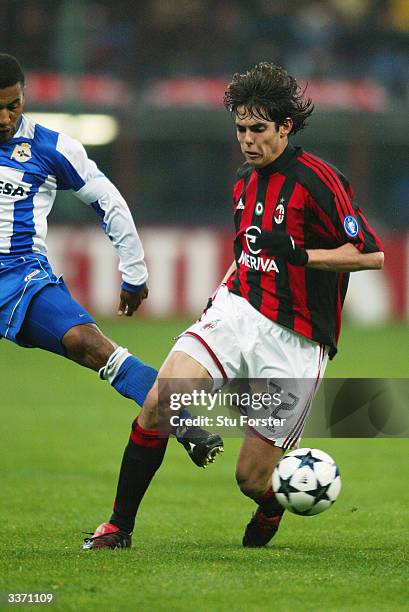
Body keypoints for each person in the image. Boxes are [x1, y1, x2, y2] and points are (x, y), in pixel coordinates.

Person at [84, 62, 383, 550]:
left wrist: (301, 255)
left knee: (250, 478)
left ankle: (270, 504)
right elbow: (249, 252)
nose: (247, 139)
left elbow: (370, 254)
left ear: (285, 126)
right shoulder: (244, 180)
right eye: (241, 128)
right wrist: (221, 292)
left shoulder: (319, 181)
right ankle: (118, 526)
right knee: (162, 400)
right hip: (236, 310)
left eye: (258, 129)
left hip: (296, 339)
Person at [0, 54, 223, 480]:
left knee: (90, 343)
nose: (6, 117)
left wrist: (135, 271)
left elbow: (108, 199)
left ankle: (184, 422)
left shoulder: (50, 148)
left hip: (20, 278)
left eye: (14, 104)